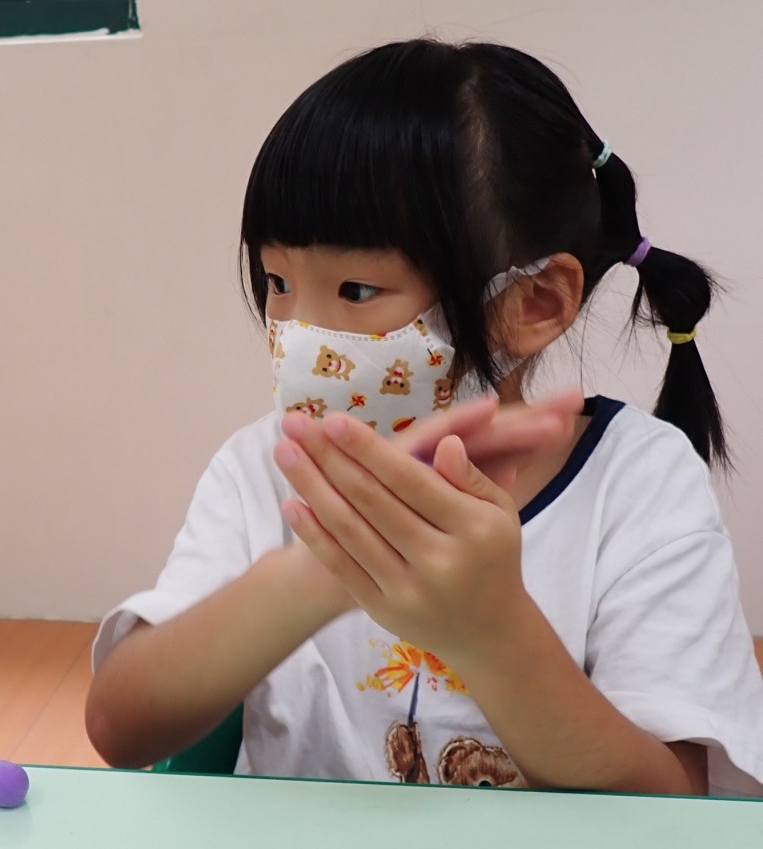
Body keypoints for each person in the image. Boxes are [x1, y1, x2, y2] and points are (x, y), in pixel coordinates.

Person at [86, 39, 763, 796]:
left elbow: (674, 803)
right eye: (277, 281)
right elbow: (120, 725)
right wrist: (323, 570)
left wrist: (492, 630)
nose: (299, 333)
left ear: (533, 304)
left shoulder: (638, 484)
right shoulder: (266, 468)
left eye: (356, 291)